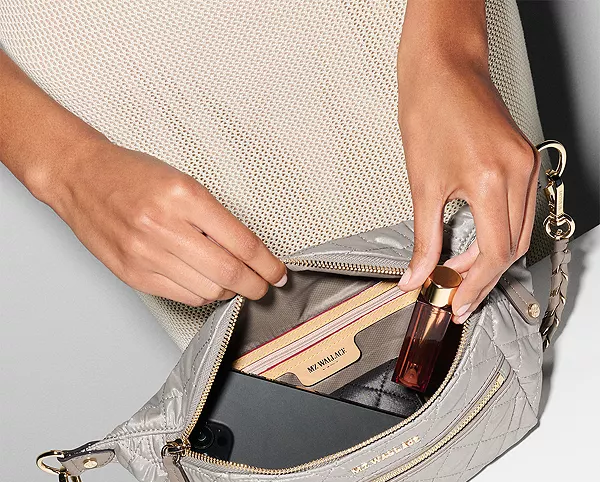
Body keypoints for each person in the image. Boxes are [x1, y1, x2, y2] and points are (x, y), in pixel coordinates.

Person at [0, 0, 549, 349]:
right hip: (126, 105)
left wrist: (450, 45)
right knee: (315, 434)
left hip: (412, 32)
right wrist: (64, 166)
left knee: (534, 329)